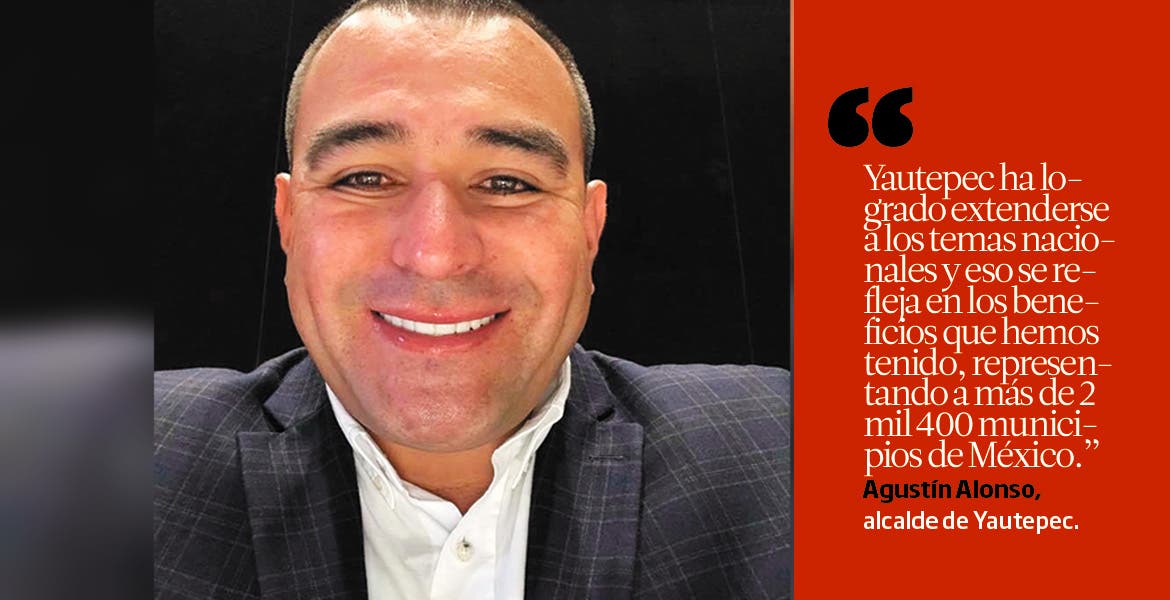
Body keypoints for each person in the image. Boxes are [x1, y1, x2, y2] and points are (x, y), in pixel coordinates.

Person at [154, 1, 791, 598]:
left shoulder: (794, 452)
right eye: (365, 178)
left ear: (589, 229)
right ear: (289, 221)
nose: (435, 252)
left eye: (508, 183)